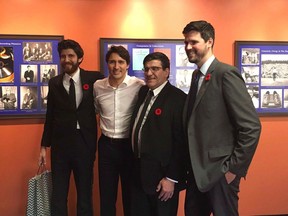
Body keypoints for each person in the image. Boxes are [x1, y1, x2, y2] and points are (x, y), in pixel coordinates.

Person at [182, 20, 261, 216]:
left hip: (220, 173)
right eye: (185, 42)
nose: (188, 47)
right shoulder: (196, 77)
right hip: (196, 173)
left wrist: (233, 169)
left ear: (209, 42)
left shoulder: (226, 74)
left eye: (193, 42)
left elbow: (251, 127)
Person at [39, 39, 104, 216]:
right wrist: (44, 146)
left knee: (85, 193)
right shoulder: (54, 82)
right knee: (59, 194)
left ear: (80, 58)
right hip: (60, 146)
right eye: (63, 56)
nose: (66, 60)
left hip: (84, 144)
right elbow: (50, 115)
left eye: (70, 56)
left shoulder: (94, 78)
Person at [130, 52, 186, 216]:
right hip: (139, 173)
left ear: (167, 71)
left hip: (162, 179)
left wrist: (171, 178)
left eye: (155, 68)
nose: (149, 73)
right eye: (146, 69)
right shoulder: (143, 92)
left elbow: (181, 143)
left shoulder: (178, 99)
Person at [93, 45, 144, 216]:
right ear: (107, 64)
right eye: (112, 62)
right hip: (107, 146)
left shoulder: (139, 86)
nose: (116, 66)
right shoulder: (98, 86)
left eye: (121, 62)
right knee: (106, 196)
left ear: (127, 64)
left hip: (129, 147)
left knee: (131, 195)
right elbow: (95, 110)